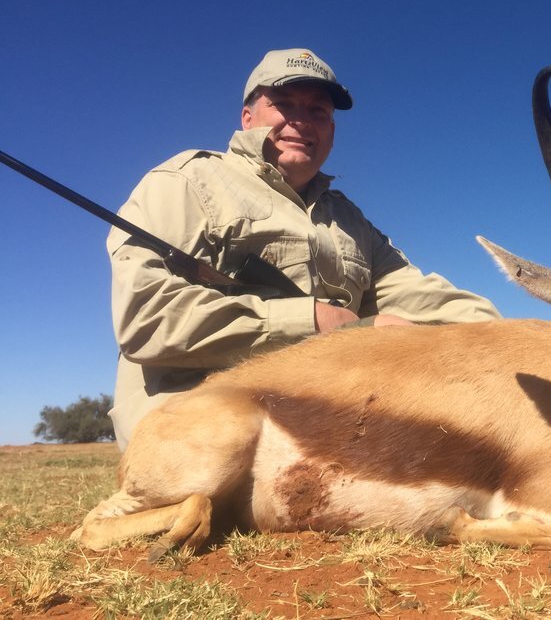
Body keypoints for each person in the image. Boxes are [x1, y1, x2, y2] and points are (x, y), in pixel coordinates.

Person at [107, 48, 500, 450]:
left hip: (322, 413)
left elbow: (419, 297)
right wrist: (325, 324)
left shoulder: (349, 220)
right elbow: (146, 320)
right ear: (247, 117)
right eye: (284, 104)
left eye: (318, 111)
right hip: (196, 425)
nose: (301, 120)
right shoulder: (186, 182)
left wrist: (510, 339)